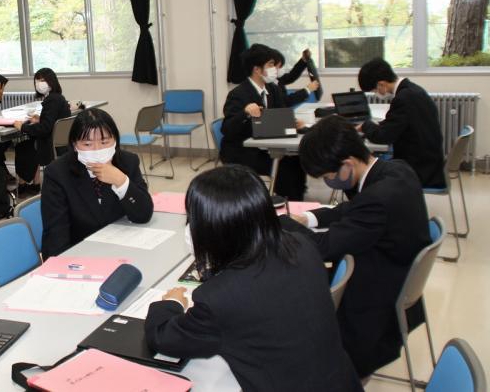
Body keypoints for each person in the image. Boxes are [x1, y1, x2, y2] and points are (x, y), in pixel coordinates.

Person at [145, 165, 361, 392]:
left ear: (213, 229)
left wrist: (171, 302)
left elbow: (163, 338)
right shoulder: (300, 243)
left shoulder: (219, 299)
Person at [284, 115, 431, 379]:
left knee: (296, 285)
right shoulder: (396, 170)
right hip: (397, 274)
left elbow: (323, 247)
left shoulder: (377, 200)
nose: (329, 182)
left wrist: (281, 223)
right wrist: (308, 218)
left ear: (348, 164)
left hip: (375, 305)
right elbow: (352, 209)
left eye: (328, 176)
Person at [40, 108, 152, 258]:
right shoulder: (57, 174)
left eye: (104, 142)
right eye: (87, 144)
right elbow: (56, 237)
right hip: (78, 254)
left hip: (120, 250)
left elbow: (144, 214)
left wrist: (121, 181)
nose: (97, 150)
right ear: (74, 145)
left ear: (115, 141)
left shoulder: (127, 162)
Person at [220, 44, 307, 200]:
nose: (275, 69)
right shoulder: (238, 94)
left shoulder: (273, 90)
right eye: (271, 65)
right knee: (285, 168)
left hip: (267, 145)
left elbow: (280, 115)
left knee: (297, 160)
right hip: (243, 151)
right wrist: (245, 113)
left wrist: (291, 123)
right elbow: (227, 129)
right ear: (257, 70)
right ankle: (283, 202)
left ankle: (295, 200)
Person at [357, 57, 446, 189]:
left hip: (420, 169)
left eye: (374, 90)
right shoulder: (412, 90)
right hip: (429, 163)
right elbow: (397, 124)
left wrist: (365, 126)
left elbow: (384, 136)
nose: (375, 94)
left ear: (381, 84)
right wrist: (379, 125)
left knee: (364, 171)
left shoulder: (404, 98)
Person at [13, 68, 71, 189]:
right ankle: (35, 184)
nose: (39, 83)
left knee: (22, 147)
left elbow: (44, 129)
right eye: (37, 81)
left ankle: (24, 185)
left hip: (49, 145)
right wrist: (40, 119)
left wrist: (22, 127)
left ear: (51, 81)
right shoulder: (58, 97)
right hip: (61, 144)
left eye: (43, 80)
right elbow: (52, 121)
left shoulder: (51, 100)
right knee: (27, 145)